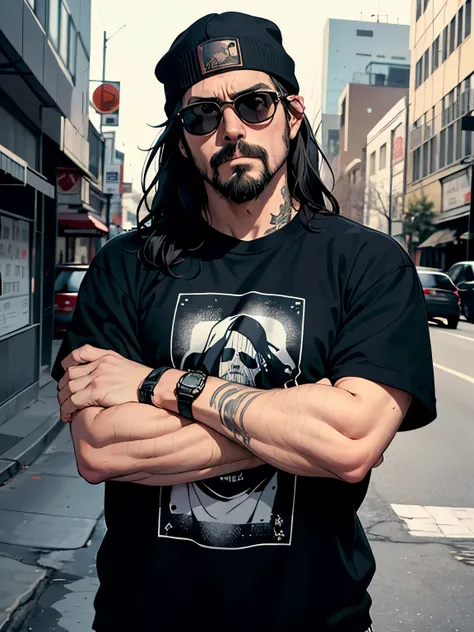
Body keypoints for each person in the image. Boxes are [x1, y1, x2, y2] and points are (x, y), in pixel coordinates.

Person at [53, 11, 436, 632]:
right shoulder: (125, 266)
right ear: (182, 139)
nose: (229, 129)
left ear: (292, 112)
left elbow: (350, 442)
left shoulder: (366, 264)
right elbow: (100, 446)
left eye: (254, 103)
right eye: (202, 115)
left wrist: (162, 386)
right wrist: (298, 428)